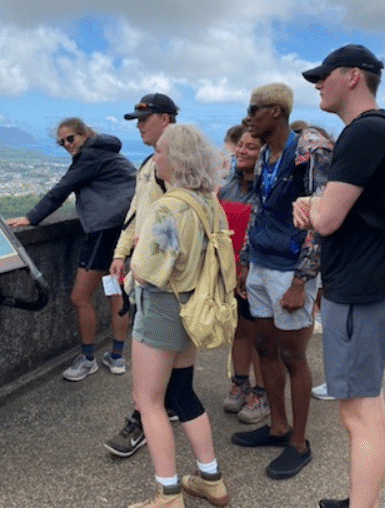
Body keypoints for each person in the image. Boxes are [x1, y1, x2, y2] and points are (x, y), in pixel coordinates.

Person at [293, 44, 385, 508]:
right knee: (371, 403)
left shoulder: (361, 134)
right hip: (379, 282)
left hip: (357, 288)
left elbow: (328, 219)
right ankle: (366, 498)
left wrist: (309, 205)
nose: (318, 83)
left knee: (356, 413)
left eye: (324, 75)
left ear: (354, 76)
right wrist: (316, 207)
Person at [229, 83, 331, 481]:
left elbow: (320, 216)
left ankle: (299, 444)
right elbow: (260, 208)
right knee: (263, 347)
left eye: (254, 109)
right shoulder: (267, 155)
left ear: (276, 111)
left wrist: (301, 280)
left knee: (292, 356)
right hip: (261, 265)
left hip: (291, 270)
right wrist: (245, 261)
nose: (247, 117)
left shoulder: (307, 149)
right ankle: (277, 426)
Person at [127, 123, 229, 508]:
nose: (156, 156)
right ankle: (210, 479)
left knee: (148, 400)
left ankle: (168, 494)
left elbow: (148, 270)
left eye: (161, 151)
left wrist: (137, 251)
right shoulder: (208, 202)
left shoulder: (167, 207)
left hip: (162, 308)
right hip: (194, 305)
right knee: (182, 391)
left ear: (177, 159)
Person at [6, 117, 136, 381]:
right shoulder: (104, 151)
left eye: (70, 139)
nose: (66, 145)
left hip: (102, 232)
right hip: (119, 230)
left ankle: (88, 358)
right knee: (114, 291)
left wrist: (31, 218)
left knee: (79, 297)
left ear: (85, 134)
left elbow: (61, 189)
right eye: (62, 142)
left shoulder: (90, 154)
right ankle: (117, 355)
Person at [104, 93, 179, 458]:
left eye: (143, 119)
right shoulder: (151, 162)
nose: (138, 125)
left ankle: (142, 417)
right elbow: (137, 212)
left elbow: (178, 222)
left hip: (160, 279)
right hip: (145, 272)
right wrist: (120, 253)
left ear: (164, 119)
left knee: (149, 350)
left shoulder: (175, 162)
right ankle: (172, 403)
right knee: (169, 350)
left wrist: (151, 265)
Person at [218, 130, 267, 423]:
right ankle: (240, 381)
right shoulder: (228, 186)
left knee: (259, 332)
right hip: (230, 270)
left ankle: (262, 392)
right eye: (240, 145)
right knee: (239, 329)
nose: (242, 151)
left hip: (256, 269)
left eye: (251, 147)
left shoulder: (267, 188)